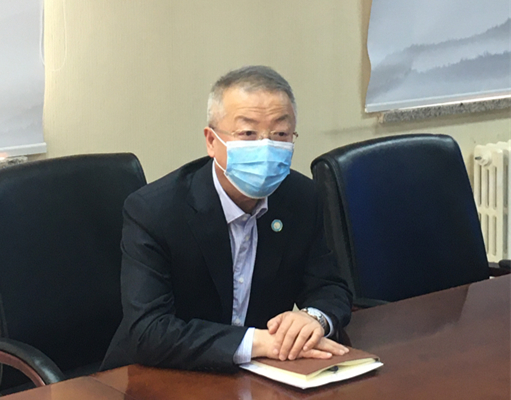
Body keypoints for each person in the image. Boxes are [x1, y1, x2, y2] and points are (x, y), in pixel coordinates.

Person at [101, 66, 352, 372]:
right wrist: (259, 343)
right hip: (157, 375)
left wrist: (314, 318)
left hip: (258, 375)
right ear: (211, 141)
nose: (265, 146)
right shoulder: (154, 211)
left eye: (280, 134)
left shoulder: (301, 197)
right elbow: (149, 331)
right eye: (248, 134)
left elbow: (330, 286)